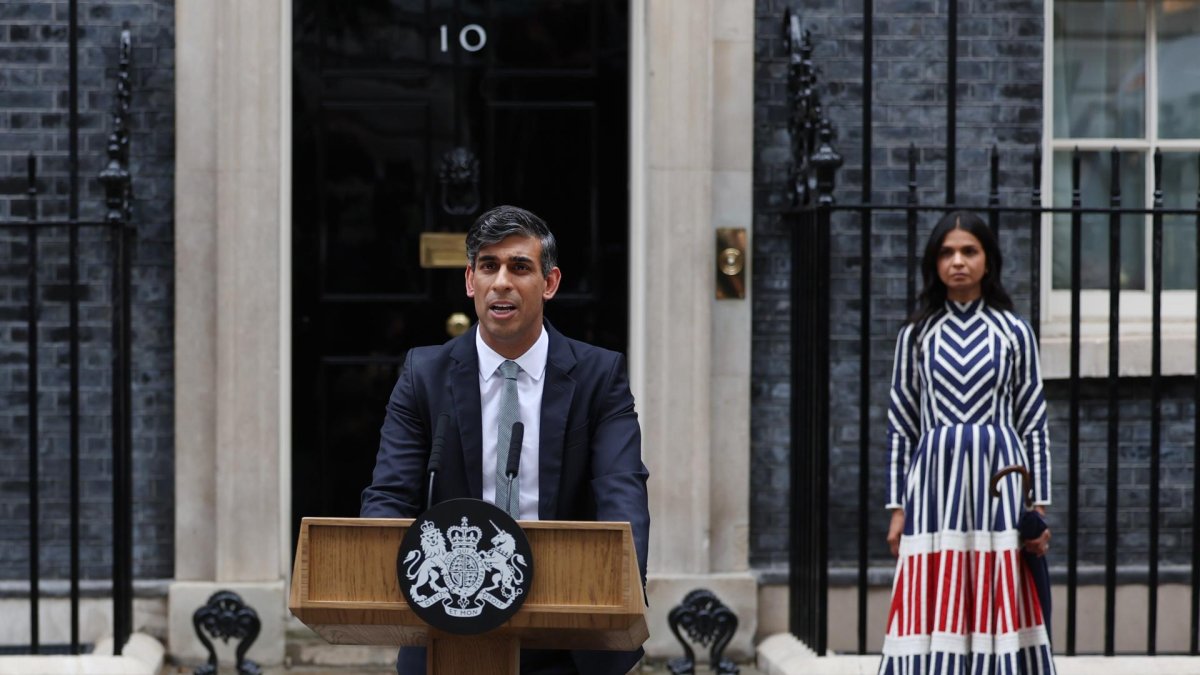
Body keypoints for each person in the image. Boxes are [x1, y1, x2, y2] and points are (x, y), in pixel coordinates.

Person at [361, 205, 650, 675]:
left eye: (519, 267)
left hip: (571, 631)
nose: (502, 282)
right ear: (470, 281)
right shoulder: (423, 375)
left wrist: (618, 597)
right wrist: (377, 582)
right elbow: (390, 496)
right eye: (488, 266)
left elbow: (623, 495)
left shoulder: (600, 376)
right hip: (446, 625)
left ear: (550, 283)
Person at [878, 211, 1055, 675]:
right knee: (935, 581)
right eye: (947, 252)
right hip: (935, 478)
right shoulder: (915, 335)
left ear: (987, 260)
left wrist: (1037, 505)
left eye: (969, 251)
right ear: (934, 263)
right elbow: (901, 421)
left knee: (998, 578)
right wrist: (897, 508)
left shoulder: (1015, 332)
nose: (958, 261)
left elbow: (1033, 418)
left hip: (999, 476)